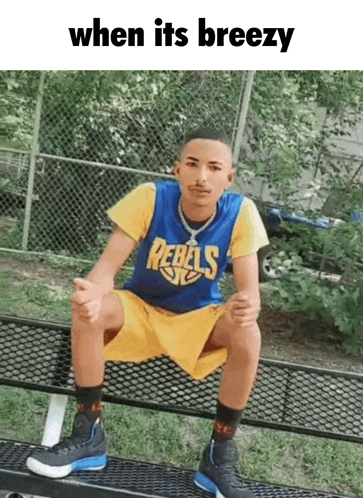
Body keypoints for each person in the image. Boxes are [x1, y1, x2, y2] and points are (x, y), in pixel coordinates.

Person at [26, 127, 269, 498]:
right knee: (89, 311)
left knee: (247, 333)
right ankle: (89, 434)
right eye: (192, 164)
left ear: (229, 177)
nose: (202, 176)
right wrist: (91, 293)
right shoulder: (150, 198)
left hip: (198, 319)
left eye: (213, 167)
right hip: (139, 310)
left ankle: (219, 455)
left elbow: (249, 294)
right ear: (177, 170)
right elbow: (106, 271)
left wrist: (246, 305)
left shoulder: (241, 212)